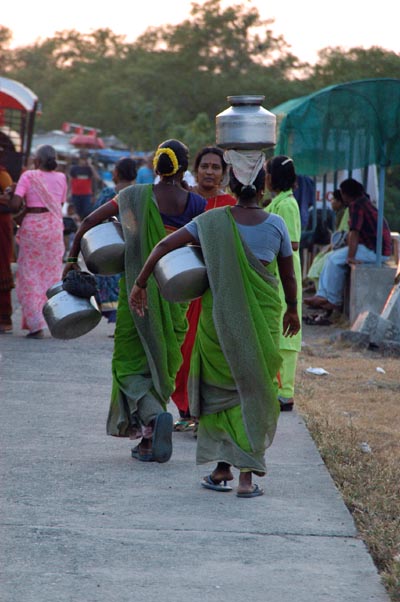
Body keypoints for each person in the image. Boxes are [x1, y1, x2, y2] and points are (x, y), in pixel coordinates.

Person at [129, 162, 300, 498]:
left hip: (219, 321)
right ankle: (246, 477)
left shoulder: (209, 222)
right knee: (253, 389)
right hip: (262, 320)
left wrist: (140, 284)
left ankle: (221, 469)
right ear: (263, 186)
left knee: (218, 390)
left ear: (231, 185)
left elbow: (163, 247)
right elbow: (289, 275)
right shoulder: (277, 225)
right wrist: (292, 309)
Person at [63, 139, 206, 463]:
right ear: (185, 168)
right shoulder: (196, 203)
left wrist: (71, 260)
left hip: (137, 292)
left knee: (128, 363)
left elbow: (88, 223)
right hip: (176, 296)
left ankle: (154, 416)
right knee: (164, 360)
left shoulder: (133, 197)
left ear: (155, 167)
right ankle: (148, 436)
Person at [172, 146, 237, 431]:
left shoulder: (230, 204)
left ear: (224, 173)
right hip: (184, 282)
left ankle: (205, 413)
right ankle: (186, 410)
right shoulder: (184, 199)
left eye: (215, 167)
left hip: (216, 286)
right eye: (205, 166)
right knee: (182, 349)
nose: (209, 171)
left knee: (211, 350)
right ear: (195, 169)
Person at [305, 178, 392, 311]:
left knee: (334, 259)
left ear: (346, 194)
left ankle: (332, 299)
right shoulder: (363, 203)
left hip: (376, 251)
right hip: (376, 249)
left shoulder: (356, 205)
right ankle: (323, 295)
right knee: (331, 258)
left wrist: (350, 256)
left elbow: (354, 232)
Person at [9, 145, 67, 338]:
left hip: (33, 229)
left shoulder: (29, 176)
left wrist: (10, 196)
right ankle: (52, 318)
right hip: (54, 229)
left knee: (29, 274)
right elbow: (60, 205)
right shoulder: (62, 177)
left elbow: (16, 204)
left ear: (37, 160)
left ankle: (36, 325)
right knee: (51, 275)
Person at [265, 155, 302, 412]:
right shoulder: (278, 202)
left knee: (285, 334)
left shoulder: (286, 205)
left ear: (271, 178)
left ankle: (284, 392)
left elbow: (293, 243)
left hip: (284, 273)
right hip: (277, 272)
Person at [91, 157, 137, 326]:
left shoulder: (108, 194)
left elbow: (93, 216)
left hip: (110, 243)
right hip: (133, 243)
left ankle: (116, 314)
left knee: (111, 277)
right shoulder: (140, 193)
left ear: (117, 173)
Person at [306, 188, 349, 290]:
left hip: (340, 247)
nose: (331, 202)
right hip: (338, 246)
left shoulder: (344, 213)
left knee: (322, 262)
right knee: (319, 258)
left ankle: (321, 292)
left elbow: (340, 236)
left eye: (333, 199)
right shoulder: (339, 213)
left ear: (339, 202)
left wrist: (330, 246)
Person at [0, 156, 15, 334]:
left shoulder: (3, 174)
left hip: (1, 225)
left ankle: (4, 317)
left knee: (2, 267)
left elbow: (10, 199)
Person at [68, 151, 101, 219]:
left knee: (86, 212)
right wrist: (68, 193)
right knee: (77, 212)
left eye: (85, 159)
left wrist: (90, 165)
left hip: (86, 195)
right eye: (82, 159)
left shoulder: (89, 169)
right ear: (79, 159)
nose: (84, 161)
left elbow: (97, 178)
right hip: (76, 194)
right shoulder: (74, 169)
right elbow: (70, 182)